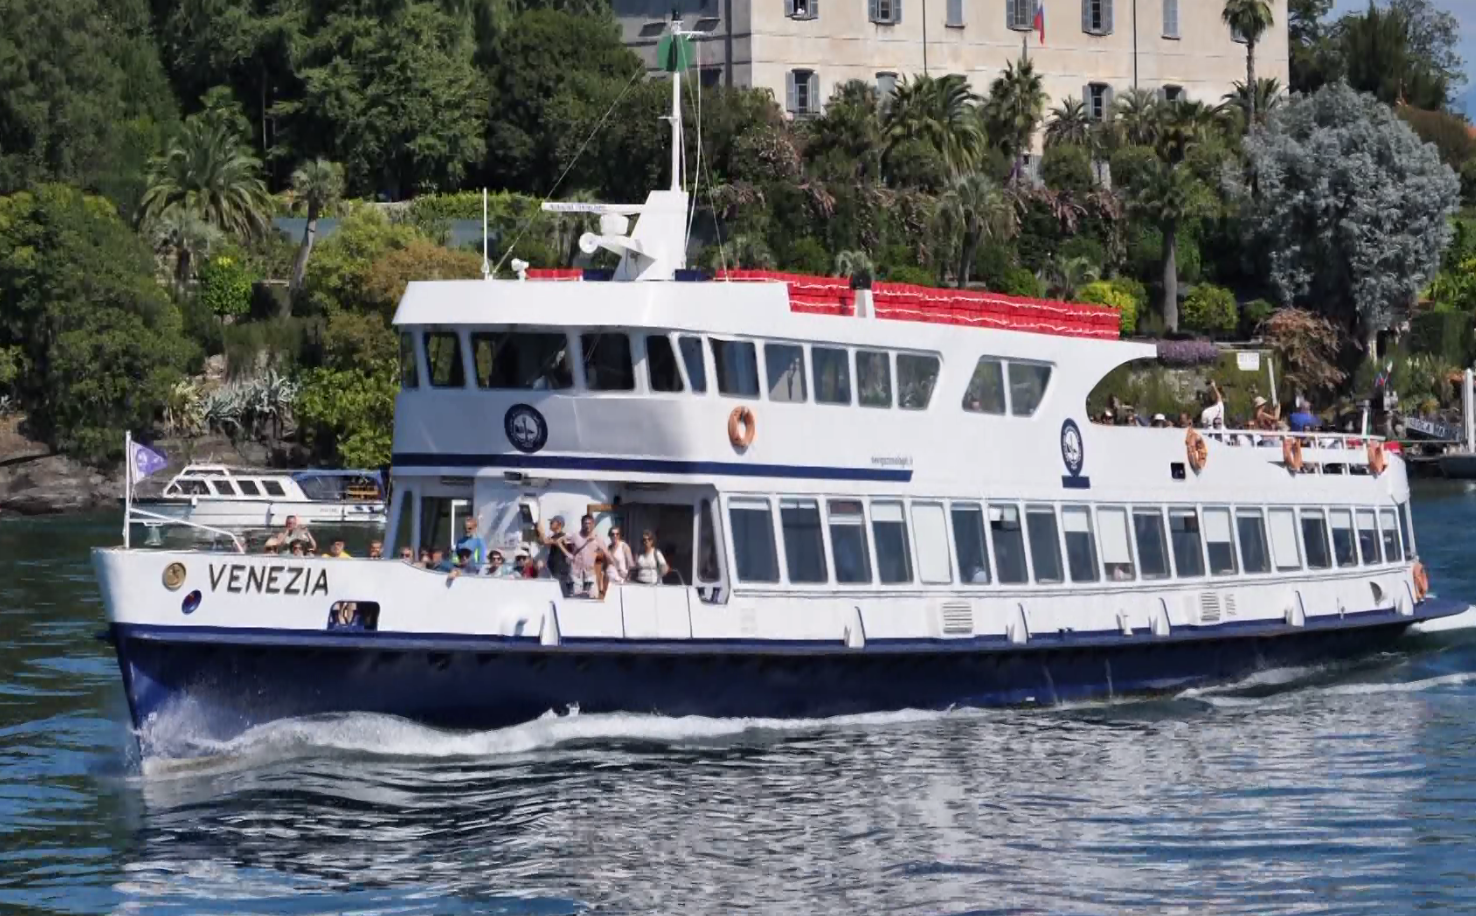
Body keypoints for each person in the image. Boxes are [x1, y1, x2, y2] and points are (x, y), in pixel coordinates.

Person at [566, 515, 604, 597]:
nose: (587, 525)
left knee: (593, 597)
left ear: (593, 524)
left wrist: (597, 554)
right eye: (585, 523)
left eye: (590, 523)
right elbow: (565, 545)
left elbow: (602, 554)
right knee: (576, 598)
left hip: (590, 573)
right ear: (582, 524)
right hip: (576, 573)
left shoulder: (596, 539)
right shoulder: (575, 536)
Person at [537, 516, 574, 594]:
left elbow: (545, 541)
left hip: (560, 571)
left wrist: (540, 529)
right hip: (552, 570)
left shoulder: (563, 536)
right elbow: (542, 541)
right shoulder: (553, 536)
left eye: (552, 522)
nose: (550, 524)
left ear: (559, 524)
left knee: (560, 593)